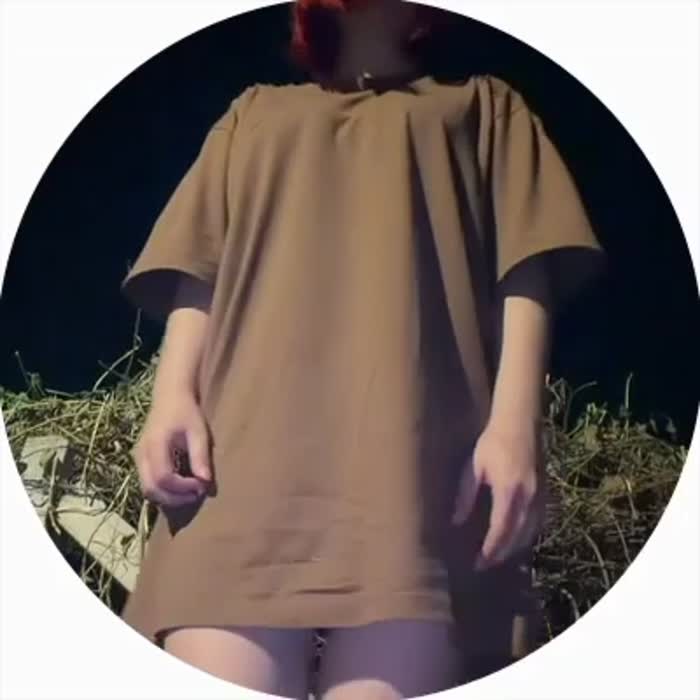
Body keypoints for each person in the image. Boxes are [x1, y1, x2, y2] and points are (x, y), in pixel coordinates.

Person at [120, 1, 604, 698]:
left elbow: (527, 268)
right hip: (239, 466)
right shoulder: (253, 114)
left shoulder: (486, 109)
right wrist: (170, 398)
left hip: (416, 476)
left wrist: (516, 426)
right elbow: (201, 268)